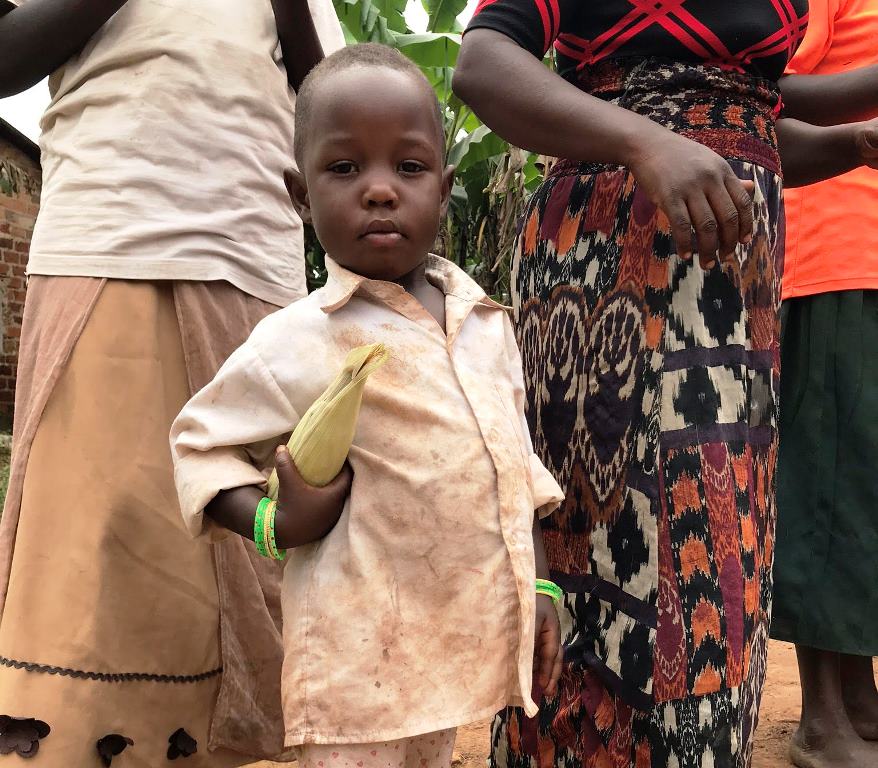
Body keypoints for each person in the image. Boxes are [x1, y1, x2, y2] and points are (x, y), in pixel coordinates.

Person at [452, 3, 878, 765]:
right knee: (602, 562)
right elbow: (484, 63)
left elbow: (751, 113)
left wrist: (848, 145)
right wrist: (645, 141)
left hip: (729, 305)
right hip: (608, 268)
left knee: (716, 573)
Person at [170, 43, 566, 768]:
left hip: (446, 653)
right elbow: (199, 446)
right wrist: (272, 521)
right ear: (300, 193)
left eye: (409, 168)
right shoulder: (296, 340)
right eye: (345, 168)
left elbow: (518, 474)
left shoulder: (484, 323)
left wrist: (539, 584)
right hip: (356, 667)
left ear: (444, 190)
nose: (380, 190)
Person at [0, 0, 343, 764]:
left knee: (249, 559)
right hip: (106, 248)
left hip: (256, 270)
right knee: (100, 556)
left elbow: (330, 107)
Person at [771, 1, 878, 766]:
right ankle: (821, 716)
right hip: (835, 246)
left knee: (864, 481)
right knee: (831, 478)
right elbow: (772, 84)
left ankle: (859, 693)